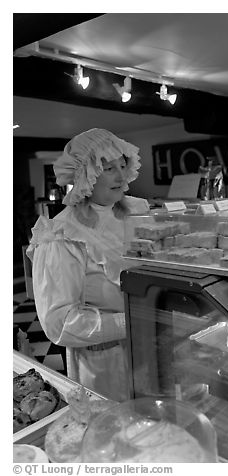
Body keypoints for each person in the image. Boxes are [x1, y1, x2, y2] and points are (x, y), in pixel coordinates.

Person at [27, 128, 150, 401]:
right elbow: (59, 323)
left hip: (152, 346)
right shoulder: (60, 234)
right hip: (105, 364)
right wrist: (131, 321)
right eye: (108, 168)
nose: (121, 175)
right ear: (86, 175)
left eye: (122, 165)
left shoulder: (138, 211)